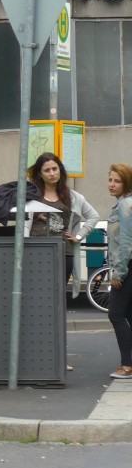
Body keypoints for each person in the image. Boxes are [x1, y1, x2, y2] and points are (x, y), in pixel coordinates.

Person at [25, 152, 99, 293]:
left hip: (64, 252)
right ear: (40, 174)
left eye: (55, 168)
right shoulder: (32, 196)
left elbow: (94, 216)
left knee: (57, 295)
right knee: (36, 294)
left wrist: (78, 237)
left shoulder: (74, 197)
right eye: (47, 170)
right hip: (36, 251)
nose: (52, 173)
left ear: (60, 170)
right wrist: (24, 248)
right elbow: (25, 224)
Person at [105, 163, 132, 380]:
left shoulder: (125, 206)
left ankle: (127, 365)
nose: (112, 184)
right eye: (110, 179)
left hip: (127, 267)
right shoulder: (123, 205)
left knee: (115, 314)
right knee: (129, 314)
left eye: (117, 181)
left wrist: (119, 273)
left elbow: (126, 243)